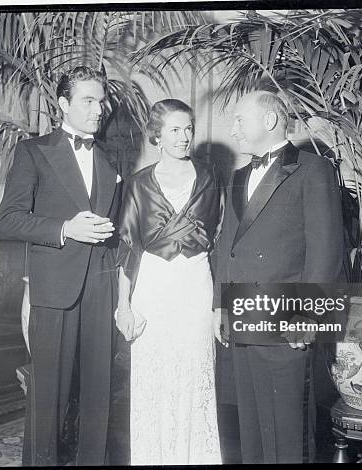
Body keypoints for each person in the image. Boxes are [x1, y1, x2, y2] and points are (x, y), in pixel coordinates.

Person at [0, 66, 121, 466]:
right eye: (88, 100)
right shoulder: (34, 151)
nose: (98, 109)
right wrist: (66, 228)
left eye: (101, 101)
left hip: (101, 291)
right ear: (63, 104)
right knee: (48, 398)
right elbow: (9, 218)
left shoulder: (110, 157)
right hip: (54, 292)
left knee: (98, 397)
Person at [213, 90, 345, 463]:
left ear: (269, 121)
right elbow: (228, 245)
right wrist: (220, 307)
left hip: (288, 321)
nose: (234, 129)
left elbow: (326, 249)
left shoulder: (312, 169)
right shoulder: (239, 175)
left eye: (240, 120)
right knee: (252, 431)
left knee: (289, 433)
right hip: (242, 318)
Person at [115, 99, 224, 465]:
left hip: (195, 284)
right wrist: (123, 305)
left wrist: (219, 303)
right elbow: (128, 248)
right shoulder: (138, 184)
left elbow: (221, 240)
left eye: (188, 128)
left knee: (195, 376)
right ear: (156, 136)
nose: (184, 137)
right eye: (174, 130)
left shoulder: (210, 177)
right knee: (154, 382)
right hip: (154, 286)